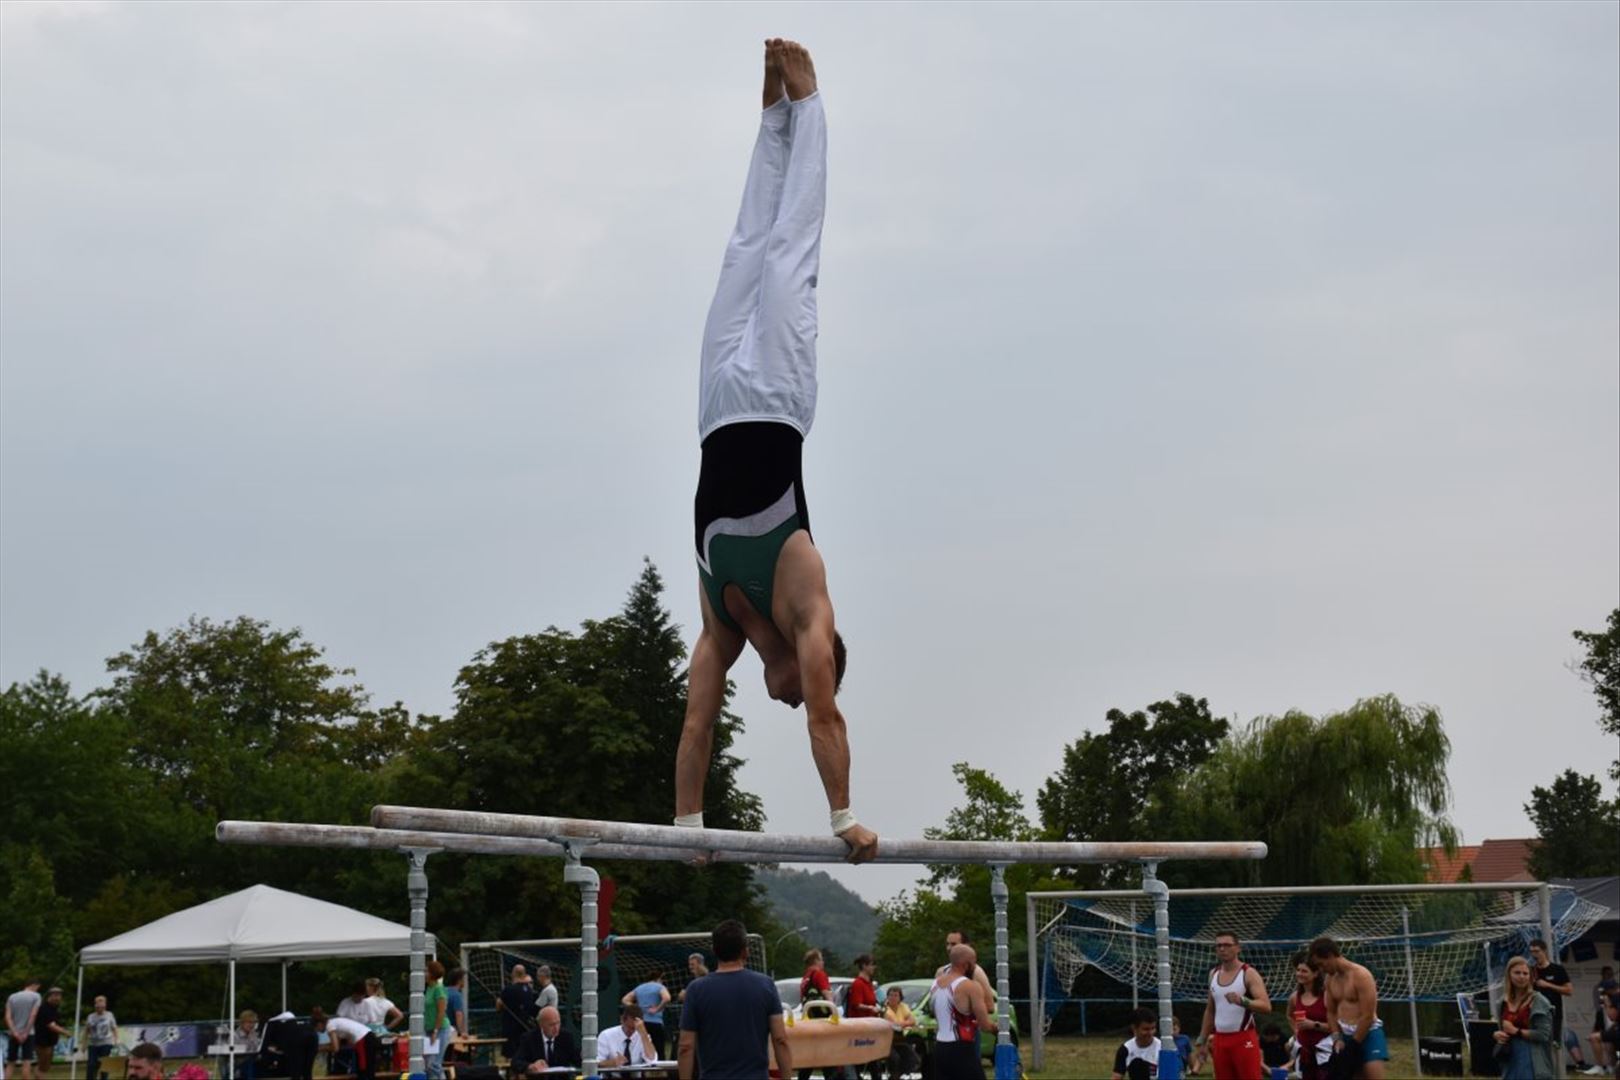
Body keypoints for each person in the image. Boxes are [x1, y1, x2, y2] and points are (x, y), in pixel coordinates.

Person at [672, 36, 879, 866]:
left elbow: (698, 719)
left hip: (715, 407)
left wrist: (688, 830)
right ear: (817, 661)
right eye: (798, 693)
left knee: (744, 247)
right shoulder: (809, 612)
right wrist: (844, 819)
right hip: (779, 399)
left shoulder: (723, 628)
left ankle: (771, 120)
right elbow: (825, 715)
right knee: (791, 248)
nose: (787, 703)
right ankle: (810, 104)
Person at [679, 919, 790, 1080]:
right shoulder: (766, 985)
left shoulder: (696, 989)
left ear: (714, 951)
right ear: (745, 952)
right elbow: (780, 1039)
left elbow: (685, 1046)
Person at [1196, 932, 1270, 1080]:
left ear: (1238, 948)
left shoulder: (1248, 973)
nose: (1222, 949)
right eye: (1219, 946)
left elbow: (1266, 1006)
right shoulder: (1214, 974)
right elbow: (1210, 1010)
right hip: (1220, 1039)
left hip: (1243, 1038)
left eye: (1227, 945)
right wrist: (1202, 1041)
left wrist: (1243, 1001)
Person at [1312, 936, 1388, 1080]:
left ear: (1330, 955)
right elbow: (1331, 1012)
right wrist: (1337, 1038)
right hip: (1345, 1034)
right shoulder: (1330, 979)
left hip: (1368, 1032)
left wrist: (1354, 1044)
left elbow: (1367, 1015)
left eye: (1322, 964)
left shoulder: (1361, 975)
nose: (1322, 970)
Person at [932, 944, 997, 1080]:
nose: (975, 967)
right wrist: (997, 1028)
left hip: (940, 1047)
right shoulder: (970, 986)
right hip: (961, 1047)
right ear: (966, 965)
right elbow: (984, 1025)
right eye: (974, 963)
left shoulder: (936, 984)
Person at [1494, 956, 1554, 1080]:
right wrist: (1498, 1035)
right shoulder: (1502, 1002)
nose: (1521, 976)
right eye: (1517, 973)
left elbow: (1543, 1034)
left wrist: (1516, 1031)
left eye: (1525, 973)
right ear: (1509, 975)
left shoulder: (1539, 1001)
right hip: (1509, 1056)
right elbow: (1503, 1029)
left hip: (1531, 1057)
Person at [1286, 950, 1333, 1080]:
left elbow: (1336, 1027)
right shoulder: (1294, 997)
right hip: (1305, 1053)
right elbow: (1289, 1015)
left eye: (1304, 971)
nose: (1299, 974)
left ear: (1316, 974)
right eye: (1298, 970)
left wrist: (1314, 1025)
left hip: (1325, 1053)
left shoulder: (1326, 996)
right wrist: (1296, 1032)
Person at [1529, 939, 1573, 1051]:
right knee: (1538, 1043)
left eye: (1537, 951)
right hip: (1536, 1012)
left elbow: (1569, 990)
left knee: (1554, 1043)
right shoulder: (1530, 971)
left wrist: (1548, 985)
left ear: (1544, 951)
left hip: (1553, 1012)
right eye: (1532, 952)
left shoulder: (1557, 969)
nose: (1534, 955)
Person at [510, 1006, 581, 1074]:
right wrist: (531, 1066)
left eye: (558, 1023)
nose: (556, 1028)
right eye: (551, 1025)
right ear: (541, 1025)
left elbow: (576, 1058)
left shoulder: (566, 1037)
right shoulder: (529, 1038)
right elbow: (516, 1062)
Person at [596, 1003, 657, 1073]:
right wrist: (612, 1062)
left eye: (634, 1029)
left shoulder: (642, 1035)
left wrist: (643, 1034)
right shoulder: (606, 1035)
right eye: (629, 1028)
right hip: (612, 1076)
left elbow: (652, 1059)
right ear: (622, 1020)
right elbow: (596, 1063)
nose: (631, 1032)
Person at [623, 972, 672, 1059]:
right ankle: (659, 1067)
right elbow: (667, 998)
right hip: (655, 1023)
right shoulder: (659, 987)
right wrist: (657, 1009)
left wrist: (637, 1009)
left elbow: (625, 999)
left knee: (641, 1048)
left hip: (640, 1023)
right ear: (658, 979)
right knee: (658, 1049)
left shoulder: (639, 988)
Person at [937, 931, 995, 1001]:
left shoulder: (975, 972)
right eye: (947, 944)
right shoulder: (942, 972)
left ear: (966, 946)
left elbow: (989, 1003)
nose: (948, 948)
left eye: (953, 944)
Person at [497, 965, 539, 1057]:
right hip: (526, 1028)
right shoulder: (530, 990)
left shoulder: (508, 990)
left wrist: (499, 1002)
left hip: (511, 1030)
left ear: (513, 974)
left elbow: (499, 1007)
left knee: (512, 1056)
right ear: (524, 974)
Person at [4, 979, 42, 1080]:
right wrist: (25, 1032)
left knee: (10, 1063)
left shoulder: (12, 996)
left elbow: (8, 1017)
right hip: (29, 1034)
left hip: (13, 1034)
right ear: (34, 985)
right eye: (38, 987)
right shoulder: (36, 996)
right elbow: (33, 1015)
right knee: (26, 1062)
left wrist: (15, 1032)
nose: (37, 989)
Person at [1112, 1008, 1162, 1080]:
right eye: (1146, 1029)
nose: (1150, 1033)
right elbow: (1117, 1076)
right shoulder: (1125, 1049)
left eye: (1153, 1028)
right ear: (1134, 1028)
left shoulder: (1162, 1048)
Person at [882, 986, 921, 1080]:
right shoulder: (884, 1009)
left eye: (896, 995)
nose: (893, 998)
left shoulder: (903, 1006)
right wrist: (904, 1023)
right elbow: (893, 1024)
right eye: (890, 995)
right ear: (887, 997)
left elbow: (912, 1021)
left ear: (900, 998)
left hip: (899, 1040)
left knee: (915, 1060)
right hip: (886, 1042)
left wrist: (900, 1024)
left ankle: (897, 1076)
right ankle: (894, 1076)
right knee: (895, 1059)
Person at [422, 960, 451, 1079]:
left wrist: (435, 1031)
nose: (424, 974)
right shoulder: (429, 989)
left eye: (426, 971)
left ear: (431, 973)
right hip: (429, 1029)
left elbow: (441, 1012)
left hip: (440, 1029)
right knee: (428, 1064)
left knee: (433, 1064)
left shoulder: (439, 989)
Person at [81, 995, 119, 1080]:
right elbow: (86, 1030)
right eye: (97, 1006)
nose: (99, 1008)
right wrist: (84, 1043)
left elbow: (114, 1028)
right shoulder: (91, 1016)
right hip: (93, 1044)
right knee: (91, 1065)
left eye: (101, 1005)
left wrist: (116, 1039)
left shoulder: (109, 1015)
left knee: (104, 1065)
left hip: (106, 1043)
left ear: (104, 1005)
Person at [1589, 967, 1619, 1074]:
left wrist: (1607, 1004)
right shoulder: (1599, 988)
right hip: (1606, 1018)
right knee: (1602, 1038)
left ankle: (1609, 1066)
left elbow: (1612, 1016)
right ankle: (1606, 1066)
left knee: (1608, 1041)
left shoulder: (1616, 995)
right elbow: (1599, 1007)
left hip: (1614, 1022)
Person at [31, 989, 67, 1078]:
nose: (58, 998)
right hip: (42, 1042)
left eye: (59, 996)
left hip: (50, 1042)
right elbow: (51, 1025)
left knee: (46, 1066)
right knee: (42, 1066)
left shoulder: (54, 1009)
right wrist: (66, 1033)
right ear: (49, 996)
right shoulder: (44, 1008)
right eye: (55, 995)